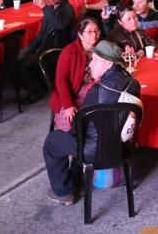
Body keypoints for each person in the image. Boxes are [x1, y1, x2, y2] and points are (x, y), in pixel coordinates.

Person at [43, 40, 141, 206]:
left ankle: (63, 192)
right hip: (122, 147)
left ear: (109, 63)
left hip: (94, 151)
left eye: (95, 60)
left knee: (53, 141)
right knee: (75, 138)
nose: (90, 64)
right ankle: (76, 179)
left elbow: (78, 128)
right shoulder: (134, 83)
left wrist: (70, 133)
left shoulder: (97, 90)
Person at [49, 19, 102, 132]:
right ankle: (73, 144)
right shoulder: (69, 52)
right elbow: (61, 80)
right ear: (80, 35)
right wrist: (68, 105)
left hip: (94, 89)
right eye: (89, 31)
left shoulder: (102, 48)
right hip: (71, 92)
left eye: (97, 30)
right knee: (71, 120)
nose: (94, 34)